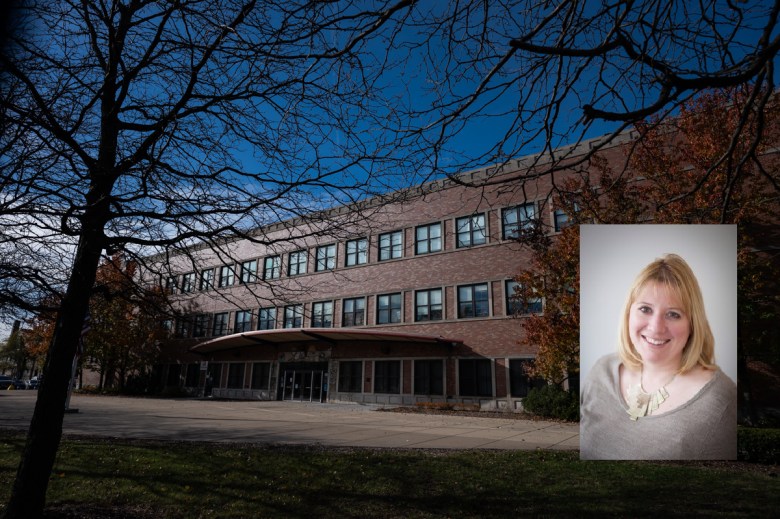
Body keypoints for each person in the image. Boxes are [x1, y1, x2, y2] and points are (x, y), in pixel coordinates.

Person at [580, 253, 737, 460]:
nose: (656, 327)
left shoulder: (720, 401)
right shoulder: (601, 371)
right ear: (629, 314)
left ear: (692, 324)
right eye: (645, 309)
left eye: (673, 314)